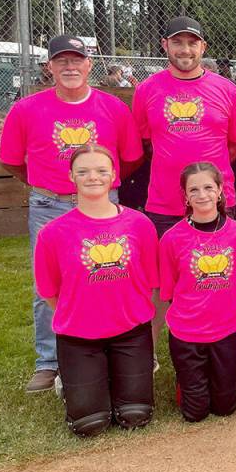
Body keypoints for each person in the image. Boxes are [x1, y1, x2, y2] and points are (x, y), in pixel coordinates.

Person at [0, 34, 144, 393]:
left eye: (76, 60)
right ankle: (48, 362)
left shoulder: (112, 108)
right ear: (49, 67)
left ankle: (108, 347)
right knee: (47, 282)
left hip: (102, 204)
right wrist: (47, 186)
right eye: (61, 61)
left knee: (108, 271)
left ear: (88, 65)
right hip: (50, 205)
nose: (69, 67)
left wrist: (100, 189)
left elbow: (131, 157)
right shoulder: (27, 109)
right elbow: (12, 160)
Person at [131, 16, 236, 360]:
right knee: (158, 280)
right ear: (164, 45)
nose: (185, 49)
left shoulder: (227, 90)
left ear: (203, 48)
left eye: (192, 43)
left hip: (216, 201)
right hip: (166, 201)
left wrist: (206, 183)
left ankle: (225, 339)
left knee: (219, 272)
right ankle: (148, 351)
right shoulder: (148, 90)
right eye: (177, 42)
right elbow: (145, 139)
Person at [33, 144, 158, 436]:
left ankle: (115, 375)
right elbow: (49, 291)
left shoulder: (139, 224)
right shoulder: (52, 233)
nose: (93, 177)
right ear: (72, 177)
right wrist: (78, 314)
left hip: (130, 331)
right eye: (84, 171)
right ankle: (78, 379)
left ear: (114, 176)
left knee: (135, 414)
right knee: (90, 424)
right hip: (80, 336)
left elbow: (152, 280)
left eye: (102, 170)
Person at [159, 162, 236, 422]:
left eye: (209, 187)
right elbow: (168, 289)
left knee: (225, 407)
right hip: (188, 331)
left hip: (226, 327)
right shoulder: (172, 238)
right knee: (194, 413)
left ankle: (215, 375)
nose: (202, 195)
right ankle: (186, 379)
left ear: (220, 190)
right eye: (194, 189)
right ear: (185, 196)